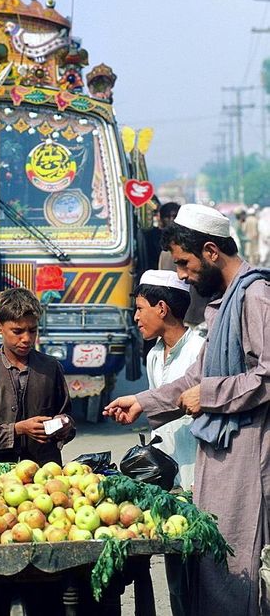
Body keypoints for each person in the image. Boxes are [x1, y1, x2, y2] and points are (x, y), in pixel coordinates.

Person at [103, 203, 269, 616]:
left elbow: (266, 377)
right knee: (211, 561)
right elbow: (197, 375)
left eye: (184, 263)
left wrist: (210, 395)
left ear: (211, 252)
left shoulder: (256, 296)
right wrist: (142, 401)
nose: (180, 275)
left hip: (248, 454)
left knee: (236, 565)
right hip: (220, 455)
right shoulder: (224, 302)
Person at [135, 269, 205, 616]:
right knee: (176, 576)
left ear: (162, 308)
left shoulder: (199, 349)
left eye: (140, 308)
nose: (135, 317)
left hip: (198, 475)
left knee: (203, 571)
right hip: (167, 482)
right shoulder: (152, 356)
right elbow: (159, 416)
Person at [0, 287, 75, 466]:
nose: (26, 338)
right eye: (17, 332)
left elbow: (67, 419)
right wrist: (19, 429)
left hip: (44, 471)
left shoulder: (51, 368)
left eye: (32, 330)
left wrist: (64, 426)